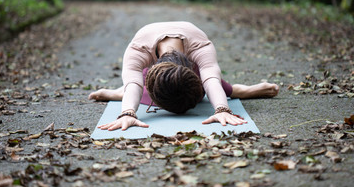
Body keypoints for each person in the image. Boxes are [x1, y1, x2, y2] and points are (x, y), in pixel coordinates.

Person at [89, 21, 279, 131]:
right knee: (139, 87)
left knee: (202, 87)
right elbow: (133, 81)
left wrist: (222, 109)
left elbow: (210, 77)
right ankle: (119, 93)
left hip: (185, 72)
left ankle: (239, 90)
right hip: (154, 74)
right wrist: (128, 112)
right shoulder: (138, 49)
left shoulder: (200, 46)